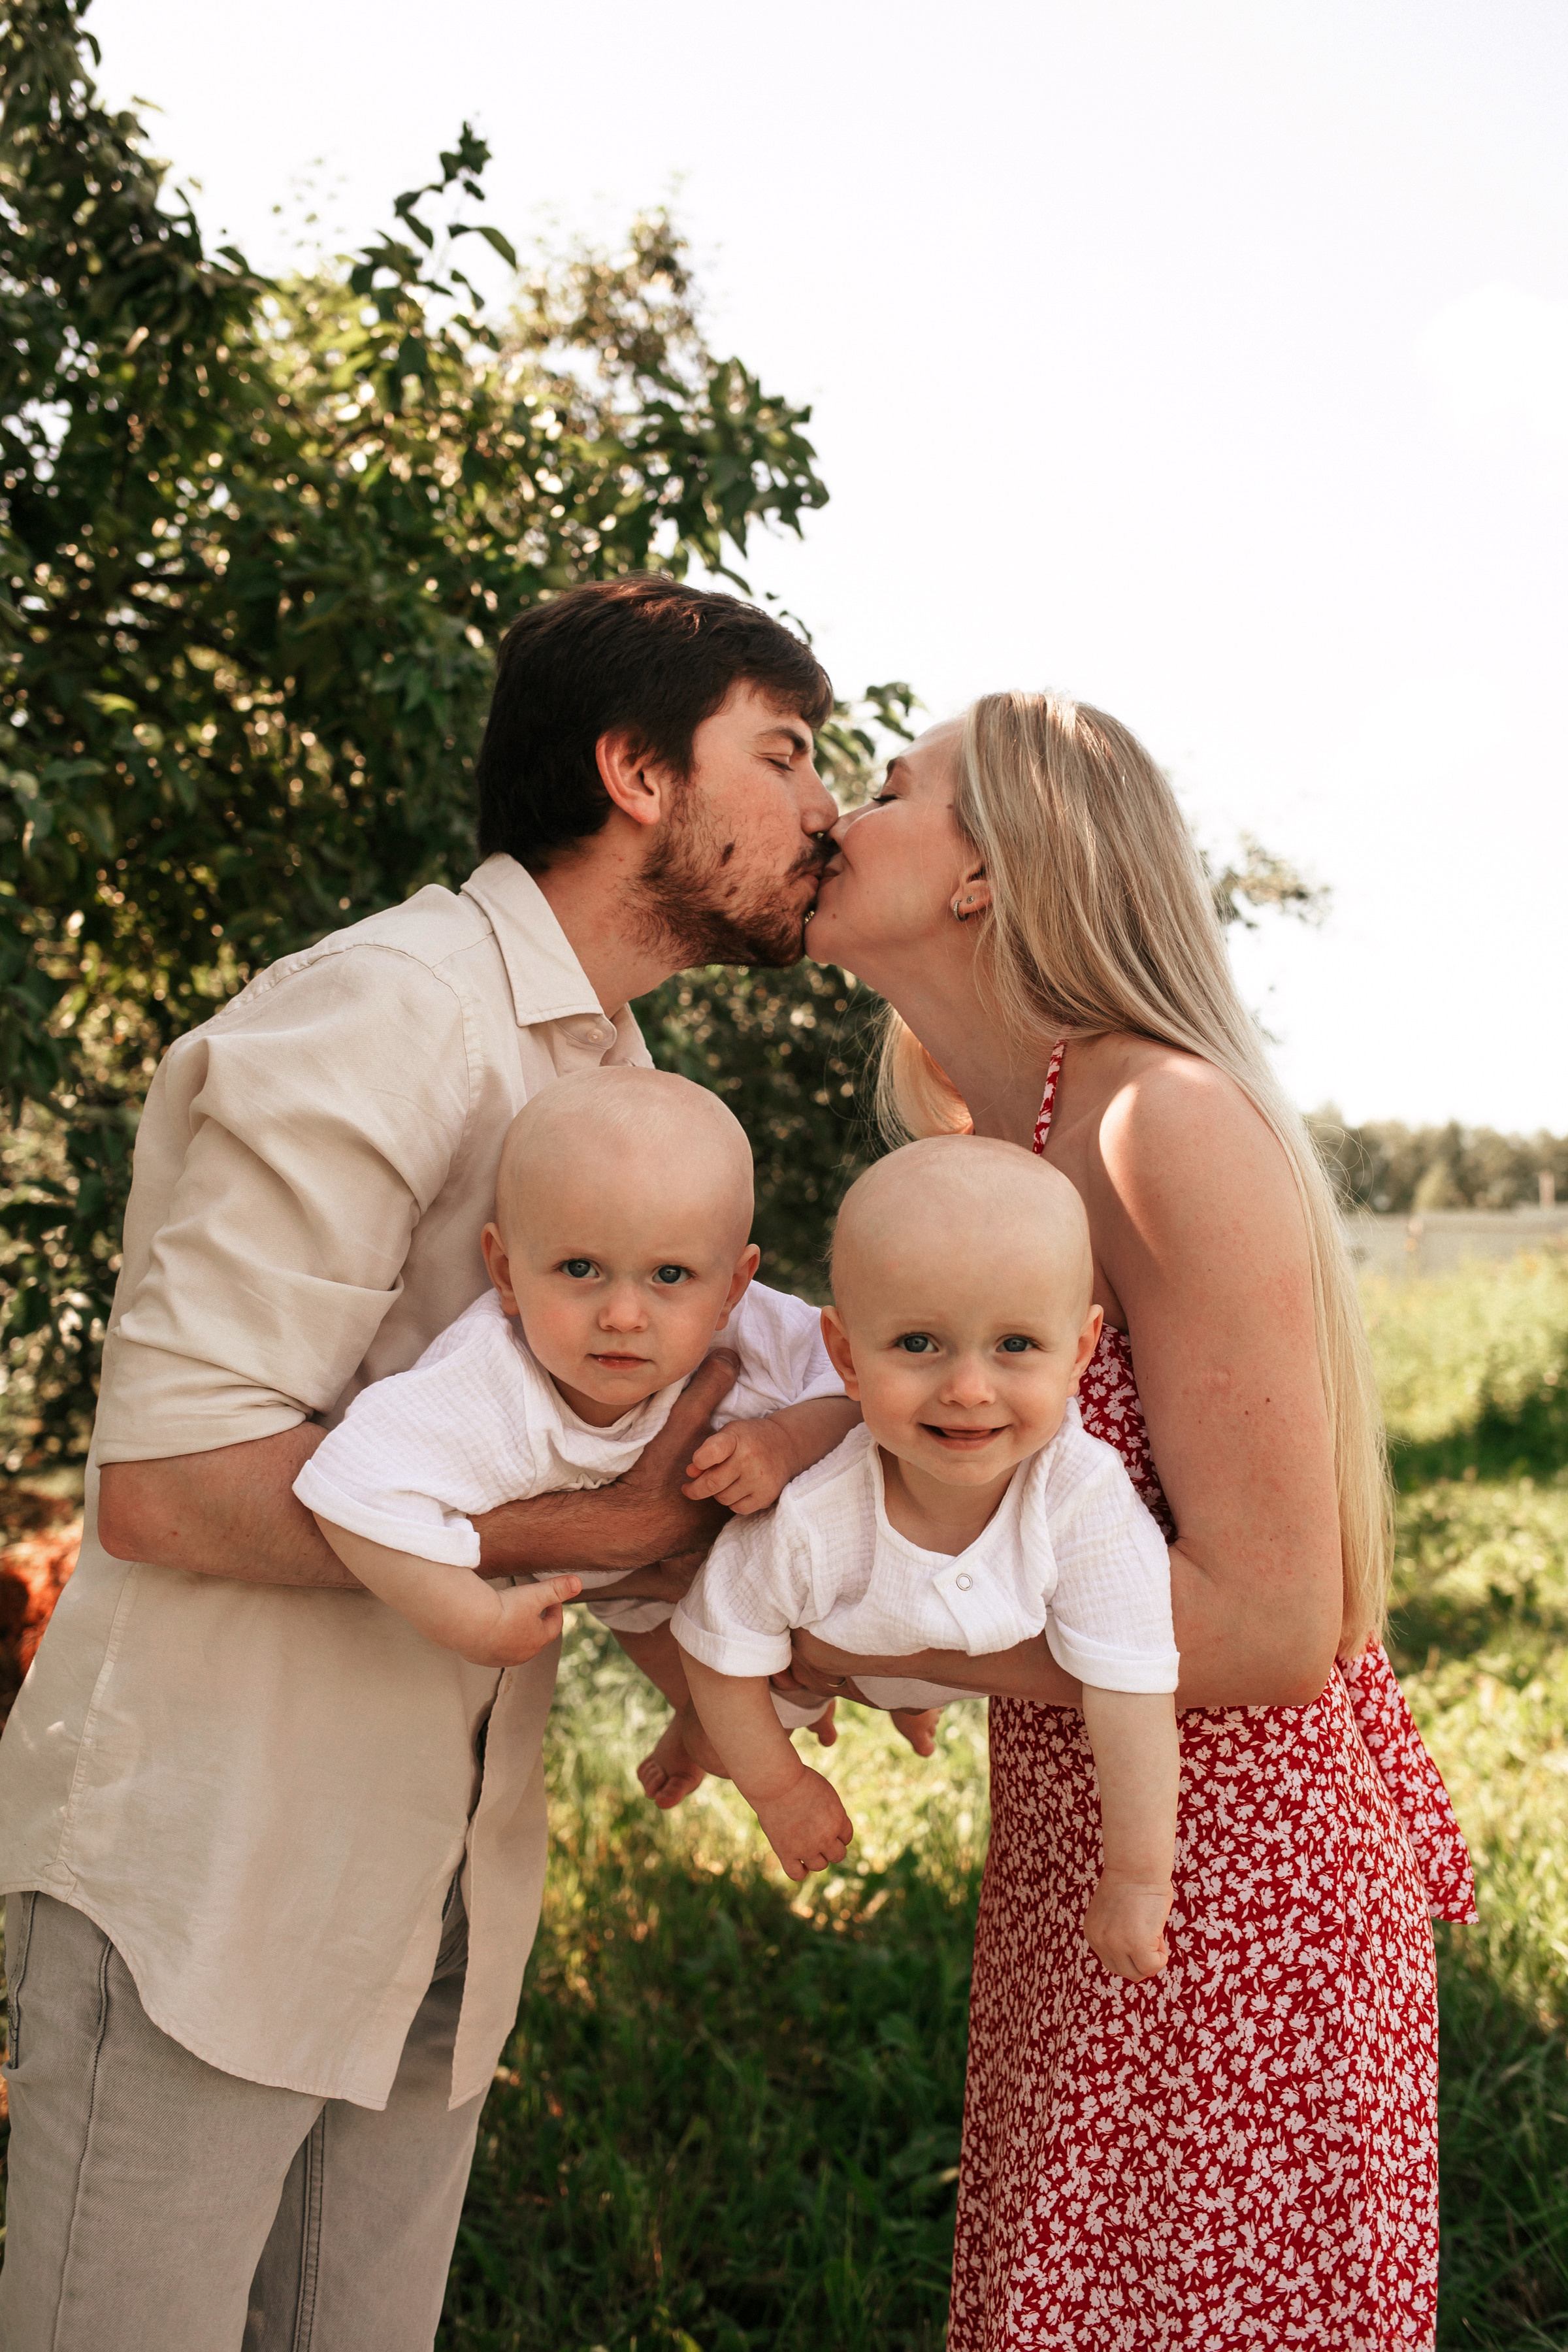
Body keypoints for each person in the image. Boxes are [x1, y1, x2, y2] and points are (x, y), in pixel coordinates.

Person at [0, 578, 840, 2352]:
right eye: (784, 756)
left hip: (441, 1888)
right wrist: (600, 1532)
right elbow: (168, 1485)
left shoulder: (611, 1066)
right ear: (635, 771)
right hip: (216, 1879)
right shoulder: (385, 1011)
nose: (824, 813)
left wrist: (702, 1643)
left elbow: (559, 1441)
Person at [790, 691, 1477, 2351]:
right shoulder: (992, 1146)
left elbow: (1262, 1623)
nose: (832, 814)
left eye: (883, 790)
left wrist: (877, 1640)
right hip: (1091, 1862)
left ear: (981, 869)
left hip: (1237, 1900)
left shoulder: (1150, 1122)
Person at [672, 1137, 1181, 1987]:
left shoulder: (1081, 1495)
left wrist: (1135, 1874)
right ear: (844, 1357)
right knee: (727, 1731)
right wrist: (783, 1790)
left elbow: (1131, 1688)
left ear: (1083, 1351)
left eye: (1016, 1344)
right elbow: (718, 1644)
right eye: (919, 1344)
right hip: (821, 1652)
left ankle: (912, 1704)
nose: (969, 1389)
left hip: (955, 1648)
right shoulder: (813, 1518)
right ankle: (683, 1743)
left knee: (937, 1674)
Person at [295, 1066, 857, 1701]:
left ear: (733, 1287)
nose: (622, 1316)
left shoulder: (757, 1327)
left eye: (669, 1275)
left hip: (817, 1562)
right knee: (706, 1684)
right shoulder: (483, 1379)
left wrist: (785, 1442)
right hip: (646, 1597)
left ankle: (903, 1695)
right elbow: (349, 1483)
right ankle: (720, 1734)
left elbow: (862, 1385)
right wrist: (466, 1619)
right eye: (581, 1268)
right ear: (506, 1272)